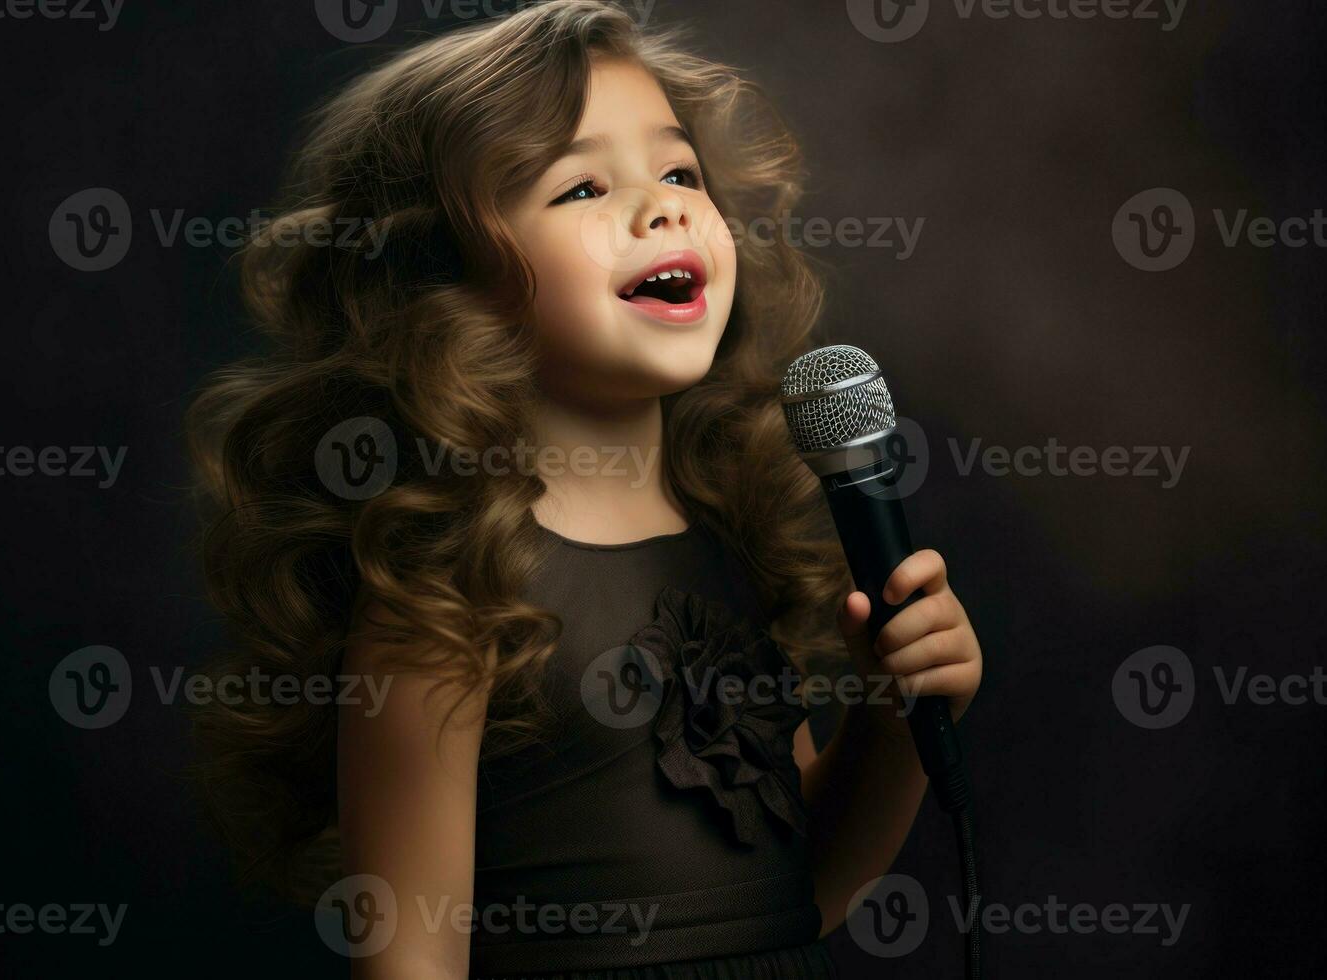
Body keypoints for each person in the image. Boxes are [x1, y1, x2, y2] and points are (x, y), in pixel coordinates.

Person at [185, 3, 982, 977]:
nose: (663, 207)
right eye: (583, 186)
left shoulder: (731, 543)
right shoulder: (444, 604)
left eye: (680, 171)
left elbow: (803, 891)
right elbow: (411, 959)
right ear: (452, 280)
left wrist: (896, 715)